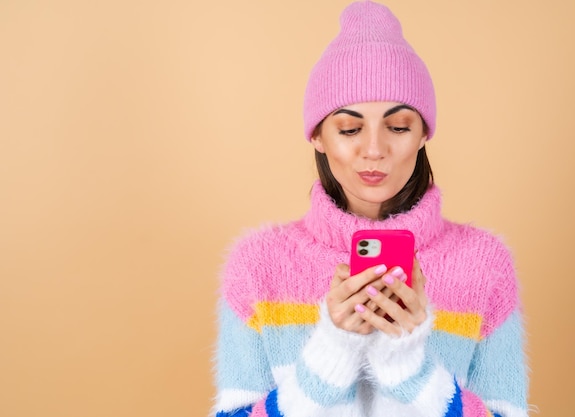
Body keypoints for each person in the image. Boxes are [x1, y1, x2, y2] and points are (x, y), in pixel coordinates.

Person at [213, 1, 528, 417]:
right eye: (349, 128)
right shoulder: (258, 265)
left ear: (422, 135)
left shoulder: (484, 264)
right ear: (318, 137)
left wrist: (410, 367)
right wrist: (332, 351)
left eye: (398, 126)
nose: (375, 150)